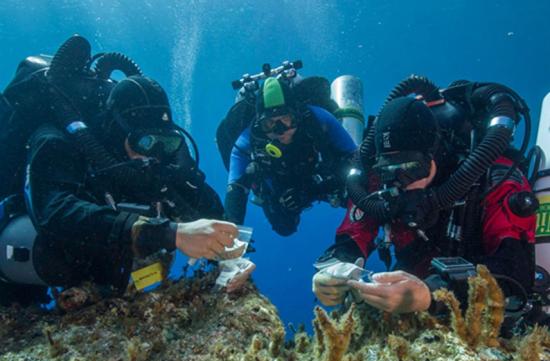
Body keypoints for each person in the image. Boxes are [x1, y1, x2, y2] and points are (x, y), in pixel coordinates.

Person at [0, 36, 251, 306]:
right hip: (35, 245)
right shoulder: (57, 140)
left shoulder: (159, 157)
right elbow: (56, 211)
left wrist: (233, 257)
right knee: (49, 267)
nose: (153, 155)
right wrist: (171, 233)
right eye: (143, 142)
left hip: (113, 273)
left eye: (164, 143)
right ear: (116, 130)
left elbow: (204, 204)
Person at [313, 86, 537, 318]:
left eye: (412, 170)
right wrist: (335, 268)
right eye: (390, 172)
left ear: (435, 155)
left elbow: (516, 271)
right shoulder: (377, 182)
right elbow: (355, 232)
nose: (401, 183)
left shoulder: (492, 178)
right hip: (414, 307)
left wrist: (433, 292)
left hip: (485, 316)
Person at [224, 77, 357, 236]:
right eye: (270, 123)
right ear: (260, 124)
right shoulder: (247, 141)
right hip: (280, 188)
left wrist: (313, 190)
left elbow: (353, 158)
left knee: (357, 193)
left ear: (297, 115)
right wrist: (229, 233)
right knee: (285, 227)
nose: (280, 130)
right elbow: (236, 188)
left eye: (285, 119)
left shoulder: (318, 119)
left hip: (321, 179)